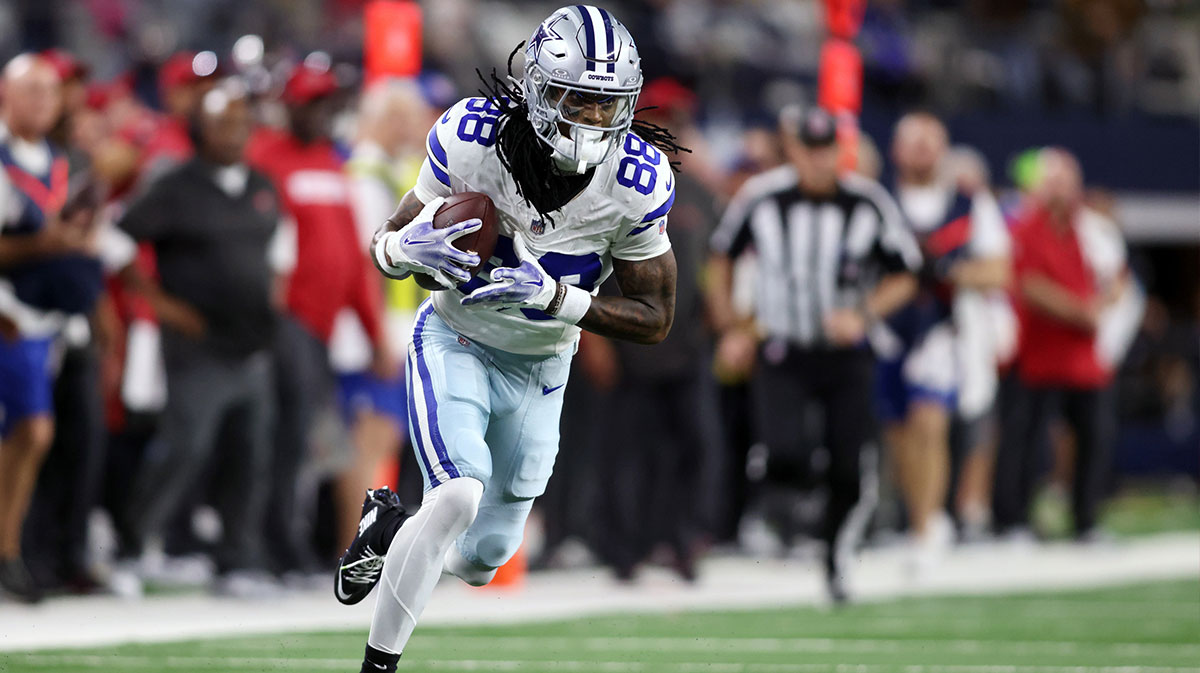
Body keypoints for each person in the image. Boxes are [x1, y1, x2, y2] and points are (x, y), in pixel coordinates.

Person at [334, 7, 683, 671]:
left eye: (609, 106)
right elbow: (385, 246)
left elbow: (655, 316)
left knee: (481, 558)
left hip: (545, 362)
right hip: (456, 336)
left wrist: (556, 296)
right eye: (578, 100)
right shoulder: (473, 137)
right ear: (541, 91)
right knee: (458, 493)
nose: (592, 121)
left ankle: (387, 527)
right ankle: (377, 665)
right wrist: (405, 248)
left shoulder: (636, 181)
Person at [708, 106, 921, 603]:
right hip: (783, 348)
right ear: (795, 150)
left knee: (848, 464)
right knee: (783, 453)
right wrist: (733, 327)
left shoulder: (867, 202)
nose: (820, 160)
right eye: (810, 149)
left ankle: (835, 553)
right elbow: (721, 257)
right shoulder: (762, 198)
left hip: (846, 355)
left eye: (828, 149)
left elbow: (907, 272)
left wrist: (863, 314)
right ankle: (784, 514)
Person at [115, 79, 293, 596]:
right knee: (185, 447)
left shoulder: (261, 184)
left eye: (240, 122)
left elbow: (280, 246)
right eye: (222, 122)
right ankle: (130, 548)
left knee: (250, 455)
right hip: (197, 344)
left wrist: (272, 293)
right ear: (199, 128)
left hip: (253, 343)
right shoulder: (175, 185)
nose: (233, 132)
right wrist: (163, 304)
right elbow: (115, 241)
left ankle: (236, 560)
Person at [246, 62, 392, 579]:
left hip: (321, 329)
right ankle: (272, 546)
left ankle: (291, 542)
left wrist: (374, 334)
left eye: (328, 103)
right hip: (283, 320)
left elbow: (353, 261)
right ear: (288, 105)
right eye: (312, 102)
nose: (322, 112)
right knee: (284, 437)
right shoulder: (264, 158)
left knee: (304, 438)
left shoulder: (332, 164)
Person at [0, 53, 106, 603]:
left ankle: (15, 552)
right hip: (10, 316)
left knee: (43, 436)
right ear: (6, 95)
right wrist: (46, 245)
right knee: (33, 431)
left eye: (50, 92)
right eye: (31, 92)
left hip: (51, 321)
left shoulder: (59, 159)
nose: (44, 103)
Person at [882, 112, 1010, 567]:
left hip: (940, 326)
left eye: (931, 141)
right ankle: (914, 514)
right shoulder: (877, 197)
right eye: (913, 141)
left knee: (929, 421)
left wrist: (950, 271)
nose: (923, 150)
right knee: (897, 431)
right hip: (887, 327)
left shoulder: (968, 202)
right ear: (896, 149)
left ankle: (927, 523)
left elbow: (998, 269)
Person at [992, 148, 1129, 541]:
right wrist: (1078, 311)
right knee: (1025, 439)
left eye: (1067, 183)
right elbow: (1028, 284)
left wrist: (1098, 308)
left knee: (1094, 435)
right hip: (1037, 349)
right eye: (1053, 183)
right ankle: (1012, 519)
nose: (1061, 192)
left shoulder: (1093, 229)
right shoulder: (1023, 228)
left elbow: (1116, 277)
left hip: (1084, 354)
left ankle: (1086, 518)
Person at [332, 79, 430, 551]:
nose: (417, 127)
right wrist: (376, 336)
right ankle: (351, 549)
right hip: (375, 329)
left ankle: (365, 545)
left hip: (393, 325)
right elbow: (364, 261)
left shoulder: (394, 168)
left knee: (383, 441)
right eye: (410, 117)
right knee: (370, 440)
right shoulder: (364, 171)